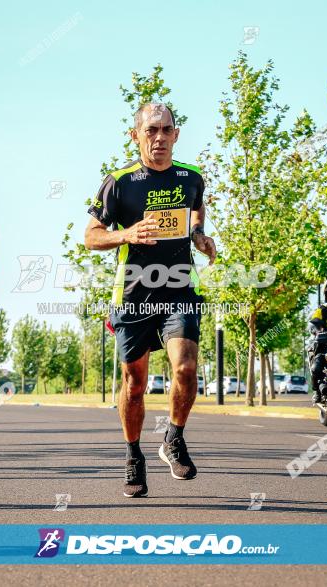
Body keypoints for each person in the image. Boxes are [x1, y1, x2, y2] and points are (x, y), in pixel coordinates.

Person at [84, 103, 216, 498]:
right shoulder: (120, 182)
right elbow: (91, 236)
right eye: (151, 130)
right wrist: (126, 234)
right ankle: (133, 455)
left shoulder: (191, 178)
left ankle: (173, 438)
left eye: (166, 130)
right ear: (136, 135)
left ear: (177, 134)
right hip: (133, 293)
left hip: (179, 289)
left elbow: (197, 206)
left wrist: (198, 235)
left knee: (186, 369)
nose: (159, 137)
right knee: (135, 383)